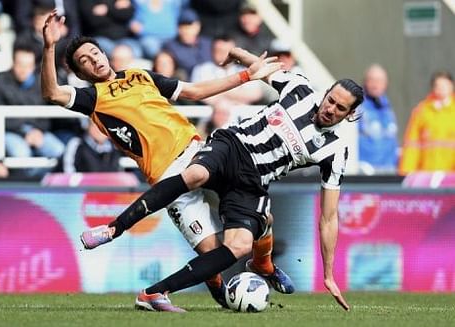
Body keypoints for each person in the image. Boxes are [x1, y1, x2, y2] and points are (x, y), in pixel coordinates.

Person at [41, 9, 292, 309]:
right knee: (214, 253)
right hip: (168, 177)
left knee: (261, 217)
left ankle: (262, 262)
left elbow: (196, 91)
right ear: (81, 74)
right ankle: (210, 280)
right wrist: (49, 46)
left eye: (95, 52)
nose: (94, 59)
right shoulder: (92, 98)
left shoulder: (140, 75)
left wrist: (246, 75)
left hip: (202, 154)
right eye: (85, 61)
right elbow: (52, 93)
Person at [82, 47, 364, 312]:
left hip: (253, 180)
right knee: (195, 174)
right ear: (325, 93)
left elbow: (329, 217)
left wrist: (328, 274)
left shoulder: (336, 151)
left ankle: (155, 293)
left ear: (350, 115)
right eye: (331, 100)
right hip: (232, 146)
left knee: (241, 244)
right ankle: (113, 229)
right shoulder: (299, 89)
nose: (330, 109)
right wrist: (237, 54)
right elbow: (261, 69)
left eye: (340, 109)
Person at [399, 71, 455, 174]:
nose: (442, 88)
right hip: (426, 175)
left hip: (451, 176)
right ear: (433, 88)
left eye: (445, 85)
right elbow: (412, 145)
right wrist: (405, 173)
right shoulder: (422, 111)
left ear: (451, 86)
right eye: (438, 85)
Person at [358, 64, 398, 175]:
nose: (376, 84)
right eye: (372, 80)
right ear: (365, 82)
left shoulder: (388, 108)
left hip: (389, 171)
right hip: (365, 172)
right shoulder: (357, 107)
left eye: (380, 80)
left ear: (386, 84)